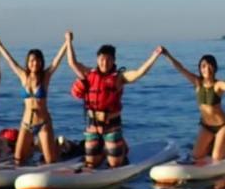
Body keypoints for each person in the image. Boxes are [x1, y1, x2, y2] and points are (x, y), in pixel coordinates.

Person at [64, 32, 165, 168]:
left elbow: (140, 72)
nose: (104, 63)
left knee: (115, 164)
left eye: (108, 59)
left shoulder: (119, 78)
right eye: (102, 59)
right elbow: (72, 63)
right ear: (97, 60)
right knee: (91, 163)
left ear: (113, 61)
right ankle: (102, 150)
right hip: (93, 126)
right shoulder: (89, 74)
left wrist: (155, 55)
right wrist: (68, 41)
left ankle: (121, 149)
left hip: (112, 126)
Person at [0, 34, 71, 165]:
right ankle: (33, 149)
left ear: (41, 62)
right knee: (18, 160)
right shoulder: (23, 76)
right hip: (26, 124)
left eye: (37, 60)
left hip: (43, 124)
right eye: (31, 60)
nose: (34, 63)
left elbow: (57, 60)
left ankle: (61, 145)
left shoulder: (45, 76)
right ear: (28, 63)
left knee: (50, 161)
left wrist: (67, 42)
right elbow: (11, 61)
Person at [161, 50, 225, 162]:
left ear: (214, 68)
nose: (206, 69)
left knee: (217, 158)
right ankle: (214, 142)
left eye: (209, 66)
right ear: (200, 69)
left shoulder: (218, 85)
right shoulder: (197, 83)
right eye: (203, 66)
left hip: (222, 126)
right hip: (206, 127)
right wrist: (167, 54)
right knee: (196, 155)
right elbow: (181, 69)